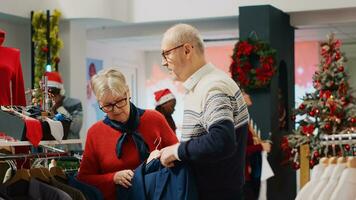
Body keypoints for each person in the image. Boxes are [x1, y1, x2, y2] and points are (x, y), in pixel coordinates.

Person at [158, 23, 249, 200]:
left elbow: (221, 140)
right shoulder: (203, 85)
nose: (163, 62)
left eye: (166, 54)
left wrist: (176, 151)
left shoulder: (213, 87)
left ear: (186, 50)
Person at [77, 67, 178, 200]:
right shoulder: (95, 133)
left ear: (128, 92)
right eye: (108, 106)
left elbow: (178, 154)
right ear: (99, 103)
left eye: (120, 101)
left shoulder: (155, 119)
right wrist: (112, 178)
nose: (117, 110)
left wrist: (161, 155)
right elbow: (84, 179)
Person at [242, 91, 271, 200]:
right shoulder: (240, 122)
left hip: (246, 173)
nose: (248, 95)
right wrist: (261, 147)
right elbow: (240, 150)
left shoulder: (244, 118)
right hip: (243, 175)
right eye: (245, 93)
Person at [46, 71, 83, 151]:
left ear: (61, 91)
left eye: (54, 92)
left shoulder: (75, 103)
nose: (52, 97)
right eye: (48, 93)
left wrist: (60, 109)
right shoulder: (44, 107)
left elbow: (76, 128)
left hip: (72, 152)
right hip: (51, 152)